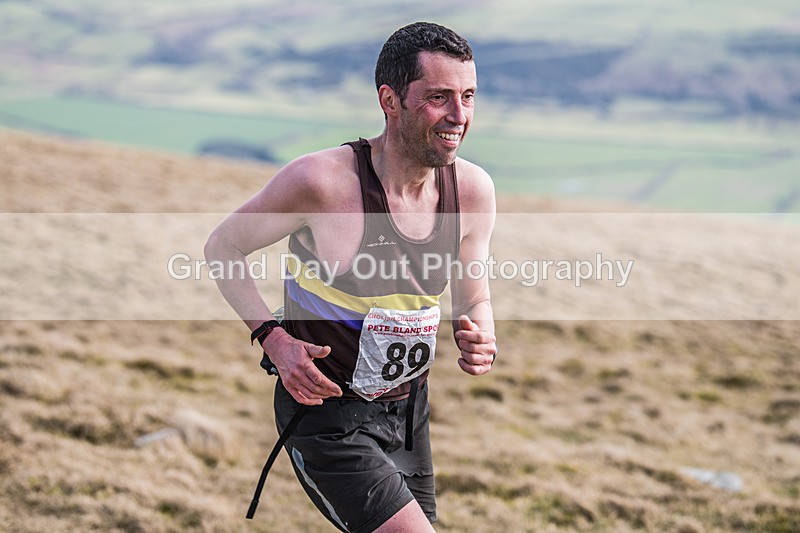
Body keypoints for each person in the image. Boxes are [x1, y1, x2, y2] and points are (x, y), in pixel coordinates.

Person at [205, 21, 497, 532]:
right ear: (390, 100)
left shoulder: (472, 191)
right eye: (439, 97)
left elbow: (474, 298)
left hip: (407, 414)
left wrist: (481, 335)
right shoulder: (321, 183)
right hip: (325, 416)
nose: (459, 115)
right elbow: (223, 248)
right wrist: (273, 338)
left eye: (468, 96)